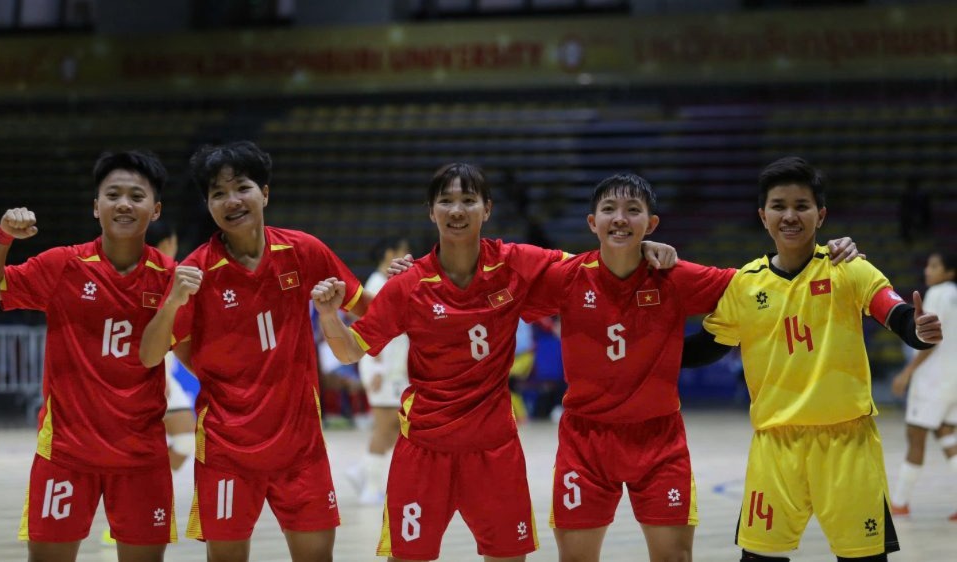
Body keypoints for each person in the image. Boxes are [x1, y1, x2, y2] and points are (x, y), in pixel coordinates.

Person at [311, 162, 677, 562]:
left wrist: (639, 249)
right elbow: (349, 350)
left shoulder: (514, 262)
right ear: (431, 211)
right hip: (424, 451)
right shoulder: (409, 285)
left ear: (486, 209)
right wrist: (329, 315)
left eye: (468, 200)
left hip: (496, 452)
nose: (457, 210)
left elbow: (592, 265)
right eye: (446, 201)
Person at [523, 173, 860, 562]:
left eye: (633, 210)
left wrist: (825, 258)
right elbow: (502, 284)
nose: (620, 218)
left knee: (675, 558)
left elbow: (761, 284)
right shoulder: (567, 277)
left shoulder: (673, 276)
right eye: (609, 209)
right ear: (591, 221)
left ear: (651, 223)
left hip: (658, 440)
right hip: (585, 440)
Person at [685, 156, 942, 562]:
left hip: (848, 444)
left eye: (801, 206)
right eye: (779, 206)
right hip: (776, 446)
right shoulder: (745, 285)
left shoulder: (849, 269)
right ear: (763, 216)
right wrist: (644, 353)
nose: (790, 215)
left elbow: (895, 313)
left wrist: (918, 331)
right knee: (759, 559)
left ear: (820, 215)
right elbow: (706, 346)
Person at [138, 140, 371, 562]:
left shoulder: (303, 251)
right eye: (218, 193)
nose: (232, 200)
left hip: (301, 447)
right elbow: (157, 353)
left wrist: (411, 284)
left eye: (242, 187)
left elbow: (372, 311)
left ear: (264, 193)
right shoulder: (196, 272)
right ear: (208, 204)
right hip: (226, 449)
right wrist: (174, 308)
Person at [0, 151, 177, 562]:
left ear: (155, 210)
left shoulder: (171, 277)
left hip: (141, 456)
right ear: (96, 206)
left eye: (136, 196)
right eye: (113, 195)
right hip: (66, 453)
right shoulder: (64, 265)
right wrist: (3, 236)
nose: (123, 204)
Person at [890, 251, 957, 519]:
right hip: (953, 378)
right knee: (947, 434)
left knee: (915, 436)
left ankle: (899, 502)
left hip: (933, 379)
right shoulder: (955, 294)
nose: (928, 270)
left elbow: (930, 340)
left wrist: (907, 372)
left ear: (949, 272)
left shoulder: (938, 294)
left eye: (935, 266)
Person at [349, 235, 411, 505]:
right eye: (403, 251)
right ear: (389, 253)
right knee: (385, 428)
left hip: (394, 369)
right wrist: (376, 368)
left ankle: (361, 470)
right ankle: (371, 488)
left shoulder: (388, 282)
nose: (408, 255)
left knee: (397, 427)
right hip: (381, 369)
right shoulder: (376, 285)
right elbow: (370, 329)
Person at [145, 220, 197, 471]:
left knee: (186, 439)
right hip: (145, 371)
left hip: (161, 369)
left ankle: (147, 485)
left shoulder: (174, 275)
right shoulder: (151, 277)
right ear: (168, 243)